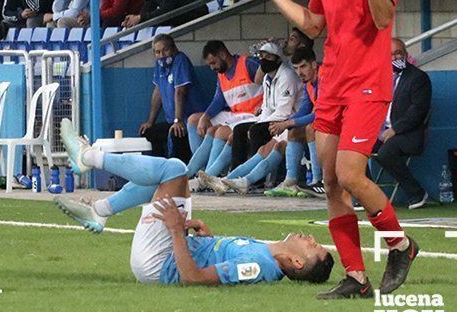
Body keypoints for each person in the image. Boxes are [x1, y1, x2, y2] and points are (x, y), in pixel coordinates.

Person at [236, 0, 419, 299]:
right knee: (332, 182)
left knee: (350, 173)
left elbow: (380, 20)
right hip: (333, 82)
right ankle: (356, 277)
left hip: (367, 84)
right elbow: (315, 25)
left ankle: (401, 245)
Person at [52, 119, 335, 286]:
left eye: (313, 246)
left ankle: (89, 157)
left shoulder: (259, 266)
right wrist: (209, 240)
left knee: (174, 170)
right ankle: (99, 211)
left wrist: (177, 230)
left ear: (297, 262)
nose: (311, 237)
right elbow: (220, 257)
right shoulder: (268, 253)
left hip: (158, 263)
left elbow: (194, 278)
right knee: (167, 180)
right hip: (172, 251)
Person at [199, 41, 301, 193]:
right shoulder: (268, 78)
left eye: (269, 57)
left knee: (262, 137)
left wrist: (259, 125)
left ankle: (245, 181)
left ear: (278, 59)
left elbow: (284, 111)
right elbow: (266, 108)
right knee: (242, 131)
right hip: (277, 120)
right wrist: (260, 122)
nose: (264, 61)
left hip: (288, 120)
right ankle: (230, 179)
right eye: (262, 57)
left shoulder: (286, 75)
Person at [185, 40, 262, 181]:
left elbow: (270, 80)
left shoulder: (248, 64)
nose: (212, 68)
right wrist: (205, 117)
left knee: (216, 131)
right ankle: (200, 170)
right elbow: (219, 100)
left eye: (213, 63)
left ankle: (204, 174)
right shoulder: (221, 74)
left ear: (222, 54)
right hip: (235, 114)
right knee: (194, 120)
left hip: (253, 114)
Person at [373, 38, 432, 209]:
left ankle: (417, 193)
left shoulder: (418, 78)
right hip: (382, 131)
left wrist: (394, 130)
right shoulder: (381, 77)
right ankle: (366, 195)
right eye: (390, 54)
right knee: (353, 147)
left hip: (408, 134)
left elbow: (418, 111)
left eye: (398, 53)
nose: (394, 58)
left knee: (385, 153)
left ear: (405, 55)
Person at [139, 35, 206, 164]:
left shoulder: (180, 60)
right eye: (157, 52)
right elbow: (157, 93)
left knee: (177, 133)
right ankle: (159, 171)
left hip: (189, 121)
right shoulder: (160, 64)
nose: (162, 55)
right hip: (173, 121)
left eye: (165, 50)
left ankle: (182, 175)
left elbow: (180, 91)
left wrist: (178, 120)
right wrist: (150, 121)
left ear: (174, 48)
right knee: (149, 132)